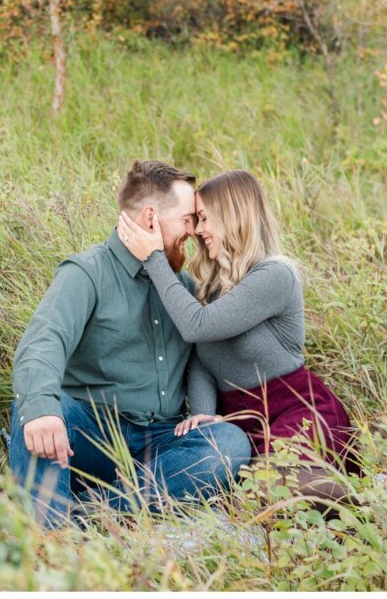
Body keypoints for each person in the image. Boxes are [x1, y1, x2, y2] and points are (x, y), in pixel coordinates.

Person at [9, 160, 252, 528]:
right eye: (188, 219)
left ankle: (95, 511)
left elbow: (201, 357)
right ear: (151, 218)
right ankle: (53, 536)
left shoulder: (181, 287)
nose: (195, 230)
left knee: (229, 445)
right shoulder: (87, 272)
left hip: (160, 441)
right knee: (40, 410)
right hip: (90, 432)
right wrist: (41, 409)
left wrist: (202, 410)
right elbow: (44, 341)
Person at [116, 169, 362, 507]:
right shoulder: (213, 285)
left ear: (232, 217)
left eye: (204, 219)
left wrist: (154, 258)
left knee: (262, 489)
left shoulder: (275, 275)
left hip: (295, 412)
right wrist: (204, 416)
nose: (198, 230)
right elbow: (201, 359)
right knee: (236, 493)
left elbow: (196, 327)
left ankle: (367, 506)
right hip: (243, 426)